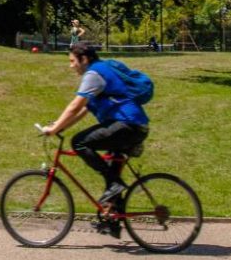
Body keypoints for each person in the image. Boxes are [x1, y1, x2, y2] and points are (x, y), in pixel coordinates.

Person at [41, 42, 150, 236]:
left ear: (84, 59)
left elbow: (75, 105)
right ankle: (112, 220)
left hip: (127, 125)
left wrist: (54, 128)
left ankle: (114, 187)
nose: (71, 65)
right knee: (112, 178)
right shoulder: (102, 70)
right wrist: (59, 125)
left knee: (79, 142)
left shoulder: (93, 74)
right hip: (132, 126)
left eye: (72, 61)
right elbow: (83, 111)